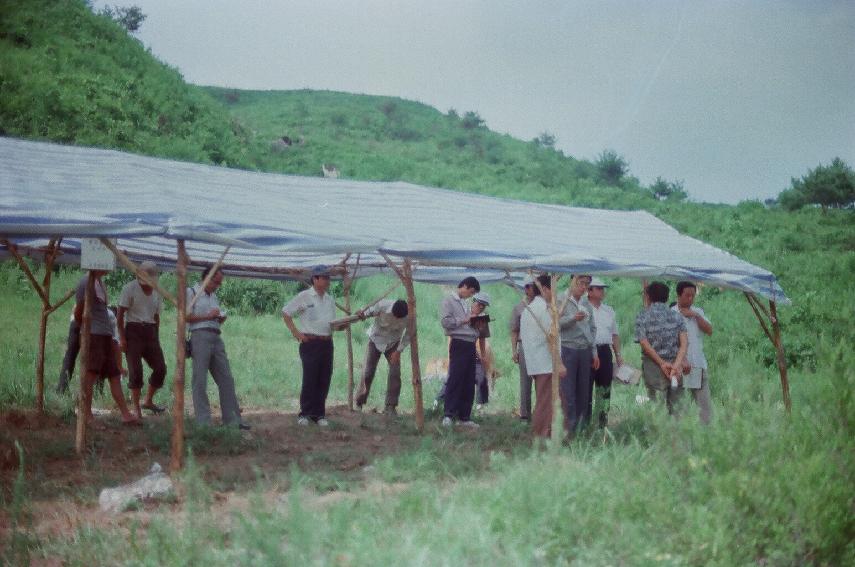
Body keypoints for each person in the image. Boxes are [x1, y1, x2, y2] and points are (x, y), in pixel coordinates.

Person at [187, 266, 249, 430]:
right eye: (216, 282)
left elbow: (213, 317)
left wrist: (219, 318)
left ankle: (233, 420)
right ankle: (203, 422)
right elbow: (184, 316)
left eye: (219, 283)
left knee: (226, 378)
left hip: (216, 335)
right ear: (206, 277)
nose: (217, 286)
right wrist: (208, 316)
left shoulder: (214, 296)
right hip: (199, 336)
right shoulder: (191, 292)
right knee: (200, 379)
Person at [73, 271, 138, 426]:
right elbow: (78, 310)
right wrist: (85, 329)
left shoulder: (100, 282)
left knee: (114, 373)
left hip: (105, 334)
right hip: (93, 334)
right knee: (90, 374)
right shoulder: (86, 282)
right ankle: (86, 414)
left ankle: (125, 414)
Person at [283, 266, 336, 426]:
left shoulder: (330, 299)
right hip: (310, 343)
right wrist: (296, 333)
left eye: (328, 278)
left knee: (324, 378)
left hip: (327, 343)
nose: (328, 281)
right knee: (310, 377)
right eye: (324, 278)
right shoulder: (304, 296)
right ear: (315, 279)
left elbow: (332, 323)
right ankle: (305, 413)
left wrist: (342, 325)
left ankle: (319, 414)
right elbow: (286, 313)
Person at [118, 261, 167, 418]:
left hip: (151, 331)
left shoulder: (157, 291)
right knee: (136, 370)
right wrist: (122, 338)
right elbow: (120, 315)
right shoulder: (129, 288)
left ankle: (148, 401)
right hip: (133, 330)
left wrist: (156, 337)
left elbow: (157, 316)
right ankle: (136, 408)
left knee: (160, 368)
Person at [520, 275, 564, 438]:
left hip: (536, 361)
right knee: (546, 401)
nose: (555, 293)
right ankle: (542, 435)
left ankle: (547, 433)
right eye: (553, 288)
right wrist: (559, 363)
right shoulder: (543, 309)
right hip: (545, 362)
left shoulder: (529, 309)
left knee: (545, 400)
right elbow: (550, 338)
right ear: (545, 289)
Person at [634, 281, 688, 414]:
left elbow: (644, 343)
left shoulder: (642, 316)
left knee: (656, 406)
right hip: (675, 366)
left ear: (648, 296)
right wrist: (676, 365)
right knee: (677, 407)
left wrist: (662, 363)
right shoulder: (677, 316)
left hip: (653, 366)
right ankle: (676, 434)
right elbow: (684, 343)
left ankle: (658, 434)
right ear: (667, 297)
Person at [354, 298, 410, 415]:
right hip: (375, 340)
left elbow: (409, 334)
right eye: (395, 316)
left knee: (395, 373)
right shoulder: (383, 305)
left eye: (399, 319)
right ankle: (359, 402)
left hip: (393, 343)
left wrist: (398, 351)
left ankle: (390, 406)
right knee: (368, 372)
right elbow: (368, 311)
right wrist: (362, 313)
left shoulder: (410, 316)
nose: (396, 320)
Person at [558, 275, 599, 434]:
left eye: (586, 285)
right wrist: (572, 318)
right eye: (580, 283)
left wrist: (594, 352)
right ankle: (569, 428)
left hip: (585, 350)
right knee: (568, 390)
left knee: (584, 390)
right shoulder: (562, 299)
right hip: (568, 348)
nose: (583, 287)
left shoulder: (586, 303)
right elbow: (555, 323)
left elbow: (592, 328)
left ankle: (582, 428)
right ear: (572, 282)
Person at [439, 276, 481, 428]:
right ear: (464, 286)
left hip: (470, 344)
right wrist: (464, 320)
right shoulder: (449, 301)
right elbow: (445, 322)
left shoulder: (465, 302)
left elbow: (467, 321)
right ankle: (449, 414)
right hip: (459, 343)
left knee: (469, 381)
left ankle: (464, 416)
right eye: (470, 291)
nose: (470, 295)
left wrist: (476, 324)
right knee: (456, 378)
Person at [672, 281, 714, 424]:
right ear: (678, 295)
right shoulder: (671, 314)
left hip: (697, 364)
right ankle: (679, 441)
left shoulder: (698, 312)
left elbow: (709, 330)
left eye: (692, 296)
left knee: (704, 407)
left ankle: (705, 439)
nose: (690, 299)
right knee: (678, 408)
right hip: (678, 367)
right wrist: (681, 360)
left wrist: (695, 315)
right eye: (687, 295)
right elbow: (669, 342)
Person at [587, 277, 623, 427]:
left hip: (605, 351)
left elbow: (614, 335)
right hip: (588, 351)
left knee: (605, 387)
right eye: (599, 288)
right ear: (589, 291)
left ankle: (602, 421)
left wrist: (618, 355)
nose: (603, 291)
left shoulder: (609, 310)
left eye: (603, 289)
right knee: (586, 386)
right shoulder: (583, 309)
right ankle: (586, 420)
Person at [509, 278, 537, 421]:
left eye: (532, 286)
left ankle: (540, 413)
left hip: (540, 346)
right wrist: (514, 351)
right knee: (525, 381)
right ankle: (525, 415)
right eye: (528, 286)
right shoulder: (519, 307)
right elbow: (514, 330)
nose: (530, 289)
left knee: (541, 380)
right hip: (524, 345)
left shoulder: (544, 305)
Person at [470, 291, 493, 410]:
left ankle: (480, 404)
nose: (481, 308)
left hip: (474, 353)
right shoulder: (464, 312)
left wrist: (483, 356)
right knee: (454, 378)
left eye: (483, 306)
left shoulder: (482, 318)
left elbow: (482, 337)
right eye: (479, 304)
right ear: (473, 302)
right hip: (461, 351)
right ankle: (439, 399)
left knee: (481, 376)